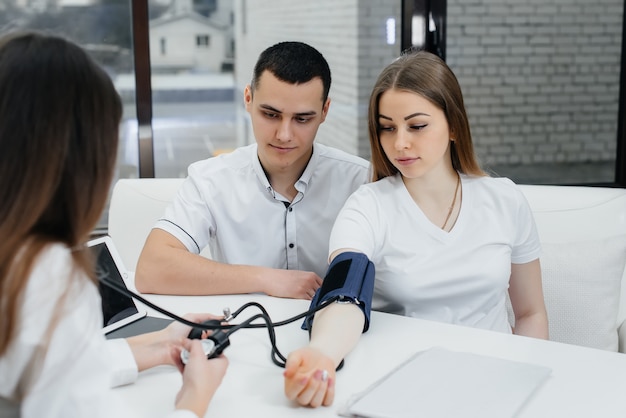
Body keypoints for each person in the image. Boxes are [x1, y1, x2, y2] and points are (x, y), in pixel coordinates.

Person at [283, 50, 549, 407]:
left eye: (417, 126)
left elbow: (530, 312)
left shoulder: (504, 199)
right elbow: (344, 292)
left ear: (454, 125)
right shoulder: (368, 205)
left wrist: (527, 379)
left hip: (494, 383)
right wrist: (322, 353)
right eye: (387, 127)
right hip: (401, 385)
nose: (400, 143)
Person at [0, 31, 228, 417]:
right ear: (79, 161)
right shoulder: (48, 280)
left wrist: (159, 344)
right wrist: (194, 401)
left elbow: (43, 371)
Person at [135, 41, 370, 299]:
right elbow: (151, 269)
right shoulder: (210, 180)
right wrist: (267, 279)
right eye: (270, 114)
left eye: (302, 119)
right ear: (248, 98)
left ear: (325, 111)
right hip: (245, 332)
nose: (284, 134)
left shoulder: (360, 181)